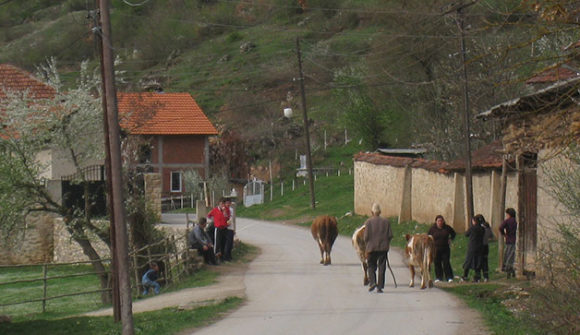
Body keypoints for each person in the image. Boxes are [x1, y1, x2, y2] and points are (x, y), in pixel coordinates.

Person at [363, 203, 393, 293]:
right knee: (382, 267)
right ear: (380, 212)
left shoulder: (368, 222)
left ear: (372, 212)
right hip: (383, 248)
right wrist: (386, 243)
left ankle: (372, 282)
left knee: (371, 265)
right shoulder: (386, 222)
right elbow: (390, 235)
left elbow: (366, 237)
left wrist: (367, 244)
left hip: (371, 248)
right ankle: (380, 286)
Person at [428, 215, 456, 283]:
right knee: (437, 263)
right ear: (436, 222)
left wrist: (450, 239)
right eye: (438, 221)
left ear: (443, 221)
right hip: (436, 249)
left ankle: (449, 277)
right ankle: (439, 277)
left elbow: (453, 233)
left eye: (441, 221)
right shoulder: (432, 229)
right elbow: (428, 237)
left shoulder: (447, 228)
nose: (440, 222)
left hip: (445, 248)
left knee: (446, 263)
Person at [462, 215, 485, 282]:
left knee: (468, 261)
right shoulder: (482, 229)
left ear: (474, 221)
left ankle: (465, 276)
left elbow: (466, 234)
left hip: (472, 247)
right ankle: (477, 277)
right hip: (480, 247)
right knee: (478, 262)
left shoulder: (472, 228)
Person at [499, 208, 517, 279]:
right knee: (511, 254)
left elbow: (500, 227)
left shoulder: (507, 221)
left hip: (508, 239)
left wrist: (504, 234)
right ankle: (510, 269)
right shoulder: (514, 221)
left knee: (508, 254)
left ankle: (508, 268)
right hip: (513, 239)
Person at [480, 215, 495, 282]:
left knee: (479, 261)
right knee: (485, 262)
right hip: (486, 246)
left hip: (480, 246)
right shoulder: (488, 227)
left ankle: (478, 277)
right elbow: (491, 236)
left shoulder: (480, 228)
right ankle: (486, 277)